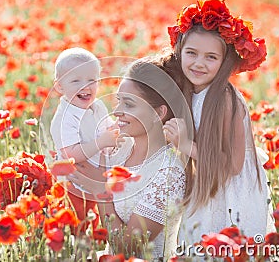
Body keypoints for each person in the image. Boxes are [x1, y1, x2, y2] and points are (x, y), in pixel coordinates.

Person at [162, 0, 275, 246]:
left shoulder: (225, 100)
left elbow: (232, 168)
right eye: (191, 53)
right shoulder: (189, 90)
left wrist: (185, 145)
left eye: (211, 57)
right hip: (206, 184)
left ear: (225, 62)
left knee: (224, 248)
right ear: (179, 51)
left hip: (232, 196)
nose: (199, 63)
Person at [69, 57, 192, 260]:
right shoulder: (120, 147)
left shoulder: (169, 173)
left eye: (129, 104)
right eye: (119, 101)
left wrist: (101, 190)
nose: (117, 111)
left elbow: (129, 249)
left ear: (158, 113)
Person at [50, 47, 123, 228]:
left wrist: (119, 127)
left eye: (92, 80)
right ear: (60, 86)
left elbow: (107, 128)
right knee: (78, 226)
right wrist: (101, 142)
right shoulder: (64, 117)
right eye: (76, 81)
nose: (86, 86)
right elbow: (70, 153)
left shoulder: (97, 106)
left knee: (95, 224)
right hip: (74, 184)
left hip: (96, 178)